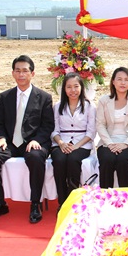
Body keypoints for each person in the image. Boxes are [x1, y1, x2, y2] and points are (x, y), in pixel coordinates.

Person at [0, 55, 54, 224]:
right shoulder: (5, 97)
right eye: (17, 71)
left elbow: (47, 125)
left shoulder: (44, 97)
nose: (21, 74)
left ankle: (35, 203)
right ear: (13, 73)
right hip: (10, 142)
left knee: (36, 157)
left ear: (32, 73)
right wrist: (1, 138)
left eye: (25, 71)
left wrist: (37, 140)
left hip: (34, 142)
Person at [51, 73, 96, 207]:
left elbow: (91, 132)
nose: (73, 90)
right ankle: (62, 201)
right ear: (64, 89)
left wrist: (76, 146)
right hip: (61, 142)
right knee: (59, 160)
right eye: (69, 87)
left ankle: (73, 201)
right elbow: (54, 130)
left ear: (81, 88)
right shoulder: (58, 106)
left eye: (76, 86)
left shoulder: (89, 106)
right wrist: (60, 143)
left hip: (82, 143)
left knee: (73, 160)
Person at [96, 67, 128, 188]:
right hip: (108, 142)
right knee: (107, 159)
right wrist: (110, 144)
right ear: (113, 81)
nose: (123, 83)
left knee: (123, 160)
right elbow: (100, 124)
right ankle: (105, 197)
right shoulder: (104, 101)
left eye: (126, 80)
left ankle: (124, 198)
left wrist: (126, 144)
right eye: (119, 79)